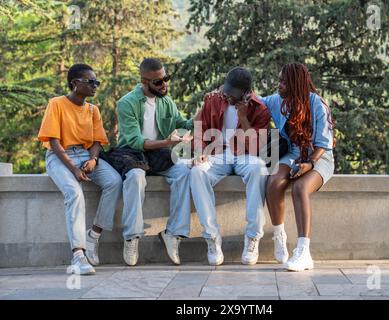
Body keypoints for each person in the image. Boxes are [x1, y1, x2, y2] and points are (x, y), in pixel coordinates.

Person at [38, 64, 123, 275]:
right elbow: (54, 142)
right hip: (59, 157)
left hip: (86, 156)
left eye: (97, 82)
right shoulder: (56, 104)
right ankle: (78, 255)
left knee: (114, 181)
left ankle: (93, 236)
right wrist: (73, 170)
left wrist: (93, 160)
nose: (95, 86)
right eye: (90, 82)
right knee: (74, 193)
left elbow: (97, 141)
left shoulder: (93, 110)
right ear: (75, 84)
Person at [116, 58, 194, 266]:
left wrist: (207, 107)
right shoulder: (126, 103)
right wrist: (168, 142)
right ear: (144, 81)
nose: (164, 85)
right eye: (158, 82)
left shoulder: (166, 101)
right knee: (135, 177)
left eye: (165, 79)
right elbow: (135, 141)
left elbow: (184, 123)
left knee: (184, 173)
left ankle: (173, 233)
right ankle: (131, 237)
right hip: (132, 153)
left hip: (158, 152)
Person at [190, 67, 271, 266]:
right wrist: (200, 151)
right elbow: (199, 128)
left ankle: (253, 237)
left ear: (245, 93)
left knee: (259, 170)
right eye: (226, 90)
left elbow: (256, 146)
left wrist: (243, 117)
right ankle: (212, 237)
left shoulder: (259, 108)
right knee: (197, 172)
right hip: (218, 153)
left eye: (232, 93)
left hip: (245, 155)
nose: (227, 95)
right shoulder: (214, 99)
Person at [262, 62, 335, 271]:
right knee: (274, 182)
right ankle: (279, 235)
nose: (279, 85)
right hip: (294, 154)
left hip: (319, 156)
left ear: (295, 83)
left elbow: (323, 144)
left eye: (283, 81)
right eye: (279, 80)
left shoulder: (317, 104)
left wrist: (309, 163)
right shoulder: (278, 101)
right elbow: (256, 102)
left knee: (300, 188)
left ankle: (304, 252)